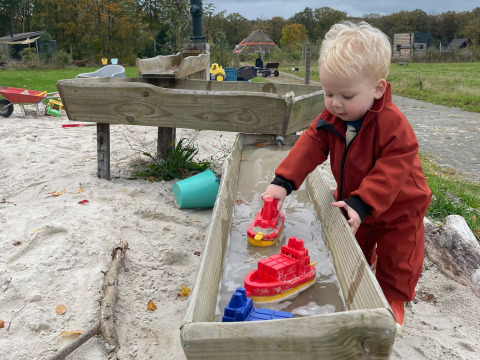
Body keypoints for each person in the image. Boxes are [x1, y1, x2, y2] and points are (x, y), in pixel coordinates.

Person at [261, 21, 432, 333]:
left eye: (346, 95)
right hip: (355, 199)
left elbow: (391, 169)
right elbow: (311, 144)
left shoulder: (393, 126)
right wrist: (283, 182)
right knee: (357, 240)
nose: (335, 103)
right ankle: (363, 270)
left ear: (377, 89)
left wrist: (363, 202)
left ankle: (393, 298)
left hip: (400, 204)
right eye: (328, 93)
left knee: (399, 255)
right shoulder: (333, 117)